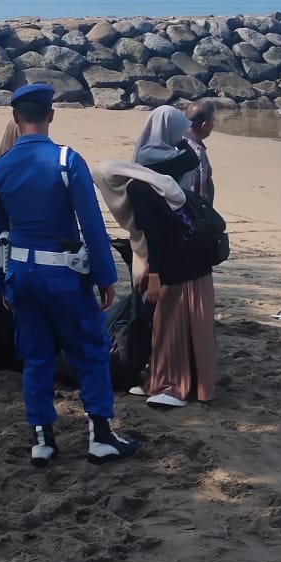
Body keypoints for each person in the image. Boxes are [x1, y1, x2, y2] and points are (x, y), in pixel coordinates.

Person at [0, 83, 140, 467]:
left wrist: (0, 282)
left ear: (16, 118)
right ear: (51, 115)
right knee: (90, 351)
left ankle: (42, 439)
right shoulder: (67, 161)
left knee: (35, 356)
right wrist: (105, 275)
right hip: (65, 277)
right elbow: (91, 224)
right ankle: (100, 436)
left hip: (22, 276)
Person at [98, 107, 216, 409]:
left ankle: (173, 386)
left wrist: (154, 275)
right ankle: (168, 380)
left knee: (170, 324)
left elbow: (156, 235)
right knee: (177, 323)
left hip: (180, 260)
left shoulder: (140, 187)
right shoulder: (163, 179)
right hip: (192, 253)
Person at [183, 100, 216, 204]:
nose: (213, 125)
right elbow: (199, 190)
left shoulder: (177, 139)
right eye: (213, 120)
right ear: (204, 125)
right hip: (192, 208)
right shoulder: (196, 152)